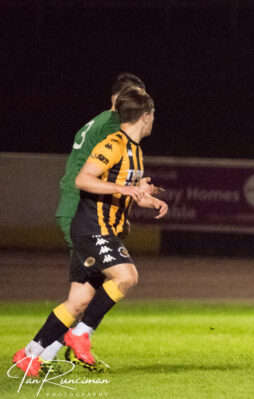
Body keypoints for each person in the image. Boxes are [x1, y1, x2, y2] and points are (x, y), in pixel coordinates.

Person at [12, 88, 168, 377]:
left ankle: (29, 354)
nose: (154, 120)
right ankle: (81, 333)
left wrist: (147, 198)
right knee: (127, 276)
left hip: (102, 229)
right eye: (153, 115)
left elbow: (122, 189)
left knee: (78, 301)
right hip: (93, 229)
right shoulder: (113, 144)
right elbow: (84, 179)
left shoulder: (135, 151)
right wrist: (123, 188)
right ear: (145, 116)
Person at [53, 73, 161, 371]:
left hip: (83, 210)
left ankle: (41, 355)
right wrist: (124, 199)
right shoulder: (114, 126)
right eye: (139, 99)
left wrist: (136, 189)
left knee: (84, 295)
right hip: (85, 213)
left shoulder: (100, 122)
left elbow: (113, 173)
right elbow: (93, 176)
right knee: (108, 285)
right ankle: (68, 343)